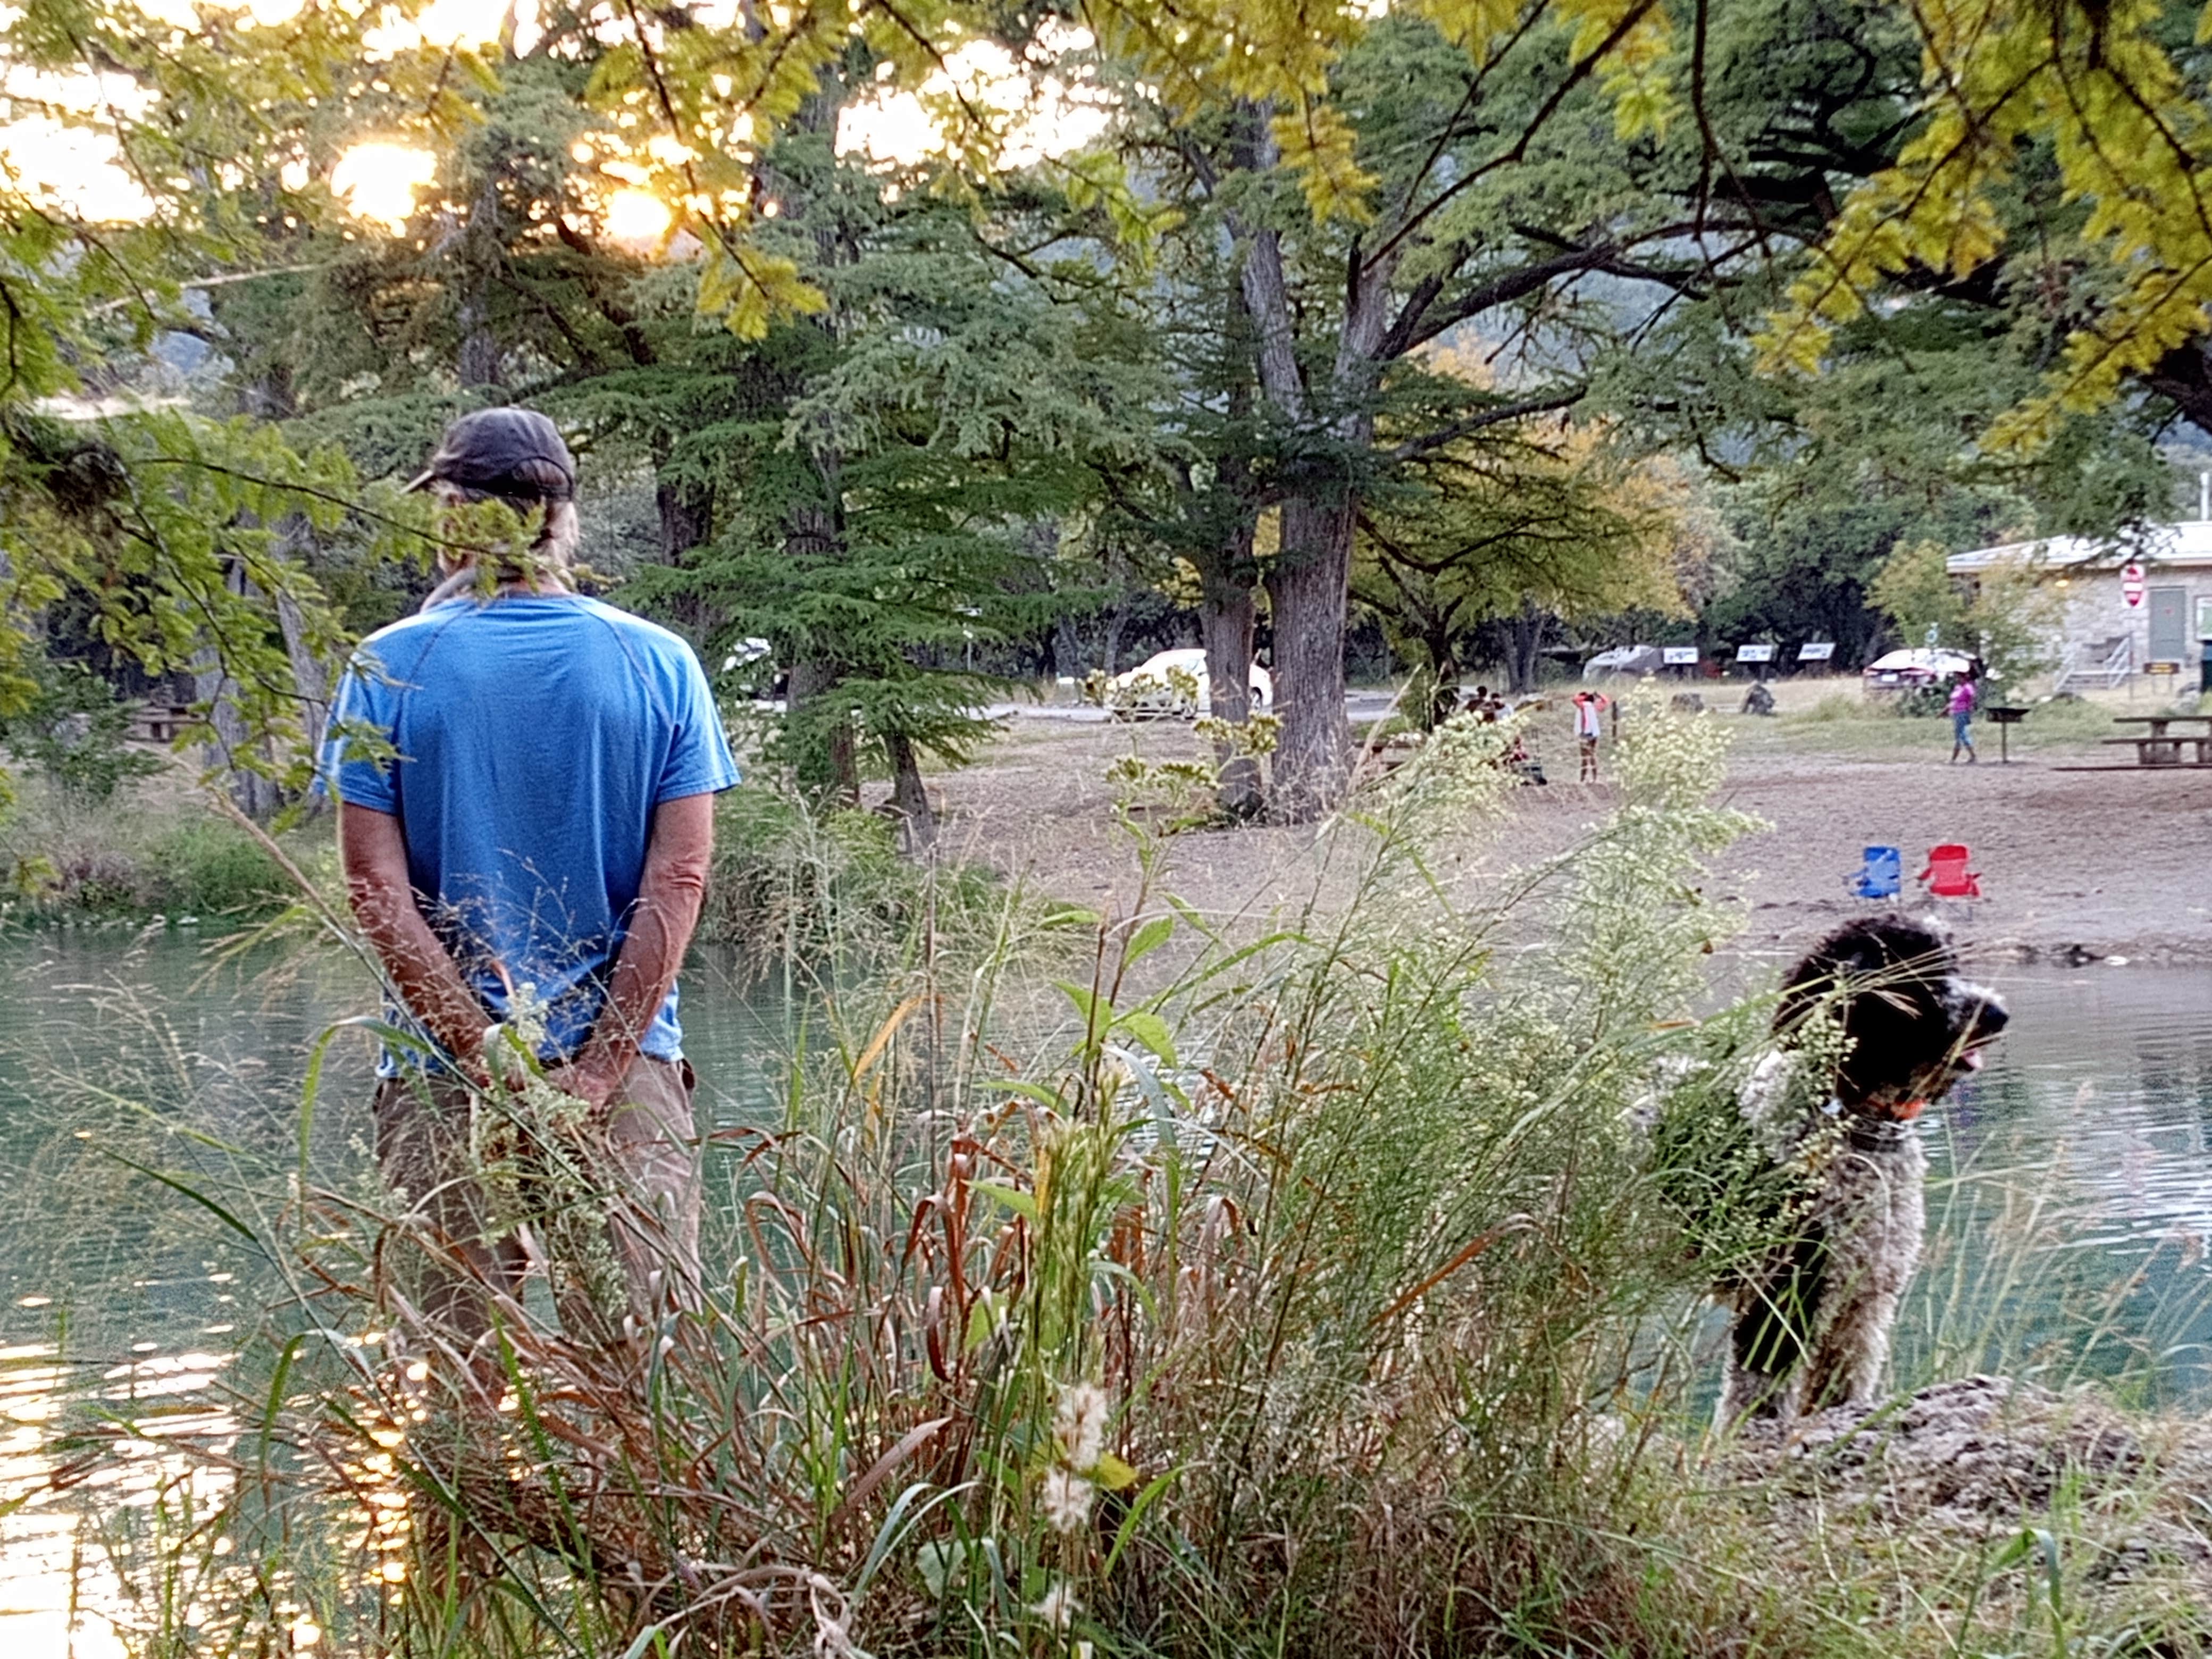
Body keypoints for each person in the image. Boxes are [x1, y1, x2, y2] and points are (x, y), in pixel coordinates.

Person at [318, 407, 741, 1361]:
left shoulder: (387, 666)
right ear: (562, 521)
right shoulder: (659, 661)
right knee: (646, 1377)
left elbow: (375, 889)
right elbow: (679, 876)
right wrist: (595, 1072)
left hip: (438, 1075)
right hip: (626, 1071)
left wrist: (481, 1053)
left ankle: (465, 1513)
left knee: (451, 1376)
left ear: (463, 514)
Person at [1572, 689, 1608, 782]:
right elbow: (1606, 701)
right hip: (1594, 733)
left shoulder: (1583, 706)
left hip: (1585, 733)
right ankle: (1595, 778)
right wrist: (1598, 695)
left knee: (1584, 758)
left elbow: (1574, 700)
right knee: (1593, 755)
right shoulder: (1594, 706)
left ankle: (1582, 778)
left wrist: (1584, 696)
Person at [1947, 668, 1978, 764]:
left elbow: (1972, 697)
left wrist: (1970, 708)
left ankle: (1955, 758)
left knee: (1961, 734)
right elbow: (1953, 701)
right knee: (1961, 734)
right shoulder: (1958, 688)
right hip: (1956, 712)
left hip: (1963, 712)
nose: (1957, 679)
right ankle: (1971, 756)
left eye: (1959, 677)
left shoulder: (1968, 687)